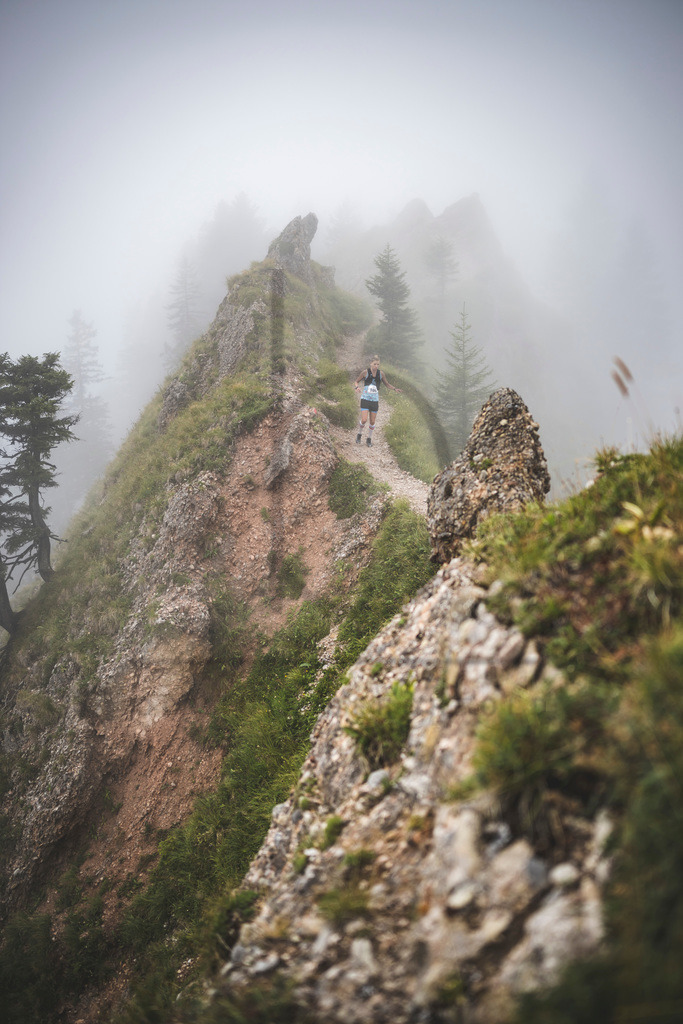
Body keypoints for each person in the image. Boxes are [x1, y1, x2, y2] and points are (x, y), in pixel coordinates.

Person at [353, 355, 401, 446]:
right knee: (363, 420)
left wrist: (395, 389)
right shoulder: (365, 372)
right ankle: (359, 434)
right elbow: (356, 381)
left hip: (374, 400)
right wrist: (356, 387)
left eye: (378, 364)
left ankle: (369, 439)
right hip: (365, 399)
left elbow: (387, 384)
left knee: (372, 422)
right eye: (375, 364)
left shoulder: (381, 374)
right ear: (370, 364)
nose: (376, 366)